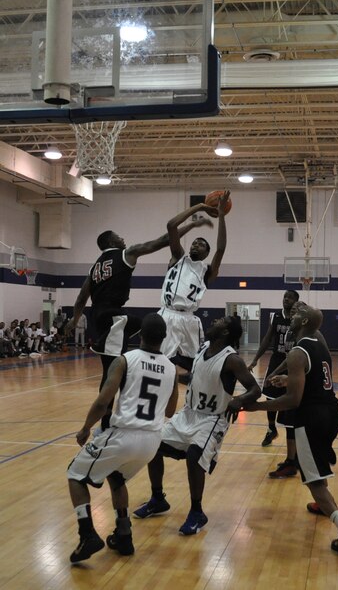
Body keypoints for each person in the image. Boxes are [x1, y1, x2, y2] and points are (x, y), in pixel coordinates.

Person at [227, 304, 338, 553]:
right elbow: (317, 380)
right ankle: (323, 505)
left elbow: (292, 401)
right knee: (317, 466)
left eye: (299, 312)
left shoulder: (298, 352)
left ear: (304, 321)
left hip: (311, 418)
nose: (294, 314)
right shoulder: (320, 343)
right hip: (332, 412)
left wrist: (256, 407)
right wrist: (290, 378)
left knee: (313, 480)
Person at [65, 215, 213, 429]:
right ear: (110, 242)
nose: (122, 238)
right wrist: (192, 224)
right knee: (110, 374)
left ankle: (163, 371)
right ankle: (106, 425)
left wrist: (74, 319)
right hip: (113, 318)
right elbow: (162, 240)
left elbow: (81, 298)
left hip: (105, 316)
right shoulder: (125, 254)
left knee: (151, 326)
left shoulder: (95, 267)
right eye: (118, 237)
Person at [133, 316, 261, 535]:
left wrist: (239, 400)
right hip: (188, 414)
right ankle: (157, 499)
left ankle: (197, 512)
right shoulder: (203, 349)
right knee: (152, 444)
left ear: (226, 332)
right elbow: (197, 377)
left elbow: (255, 389)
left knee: (194, 456)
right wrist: (174, 376)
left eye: (220, 321)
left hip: (211, 420)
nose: (214, 322)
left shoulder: (232, 360)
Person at [67, 313, 179, 563]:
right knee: (116, 477)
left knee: (75, 475)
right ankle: (124, 534)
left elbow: (103, 401)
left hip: (123, 434)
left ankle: (87, 533)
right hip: (151, 442)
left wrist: (86, 428)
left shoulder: (125, 360)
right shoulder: (171, 368)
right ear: (163, 338)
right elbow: (170, 411)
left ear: (140, 336)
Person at [158, 190, 230, 382]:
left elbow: (221, 248)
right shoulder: (178, 258)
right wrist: (199, 208)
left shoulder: (207, 271)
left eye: (201, 244)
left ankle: (193, 392)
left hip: (189, 319)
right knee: (161, 362)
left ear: (207, 253)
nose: (196, 245)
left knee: (196, 364)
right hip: (168, 314)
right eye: (195, 243)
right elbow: (171, 226)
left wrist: (221, 215)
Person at [265, 300, 331, 479]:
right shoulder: (294, 333)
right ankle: (292, 460)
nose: (292, 314)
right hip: (293, 378)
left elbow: (323, 359)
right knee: (289, 423)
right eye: (292, 311)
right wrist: (276, 372)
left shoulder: (314, 334)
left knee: (297, 421)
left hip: (306, 386)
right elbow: (290, 358)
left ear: (304, 316)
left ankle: (302, 462)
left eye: (296, 311)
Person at [247, 290, 299, 453]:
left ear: (296, 301)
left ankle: (292, 436)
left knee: (290, 398)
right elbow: (267, 339)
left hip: (293, 361)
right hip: (277, 360)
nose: (286, 300)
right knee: (270, 394)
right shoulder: (276, 317)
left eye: (290, 298)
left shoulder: (298, 319)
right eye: (285, 297)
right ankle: (271, 429)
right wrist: (256, 359)